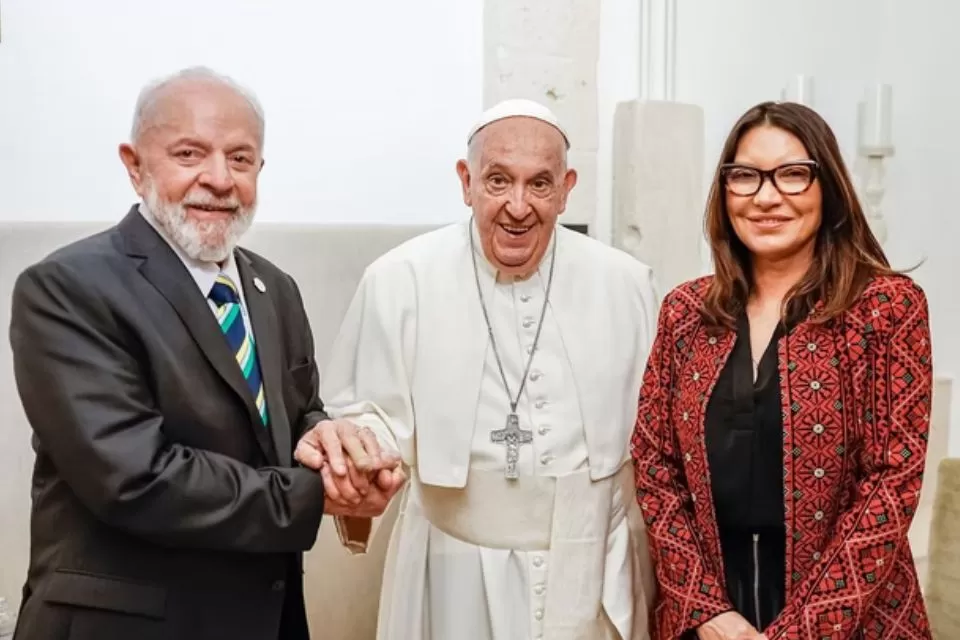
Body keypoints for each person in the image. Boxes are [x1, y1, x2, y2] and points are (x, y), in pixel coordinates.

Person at [7, 66, 403, 640]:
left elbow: (293, 415)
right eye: (190, 154)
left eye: (240, 159)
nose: (219, 179)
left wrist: (332, 444)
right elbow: (137, 479)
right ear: (134, 163)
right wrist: (323, 492)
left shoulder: (275, 289)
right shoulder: (68, 288)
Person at [295, 98, 660, 640]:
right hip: (453, 575)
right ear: (466, 181)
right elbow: (368, 415)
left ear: (566, 187)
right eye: (497, 180)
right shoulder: (400, 279)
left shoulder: (627, 284)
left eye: (540, 184)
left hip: (591, 570)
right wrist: (362, 454)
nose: (518, 206)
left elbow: (660, 439)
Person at [630, 100, 934, 640]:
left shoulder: (886, 308)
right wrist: (706, 611)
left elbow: (892, 483)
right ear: (725, 193)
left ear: (829, 187)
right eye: (745, 176)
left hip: (855, 622)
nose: (766, 197)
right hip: (709, 624)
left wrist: (803, 630)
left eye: (793, 175)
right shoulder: (685, 313)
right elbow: (655, 465)